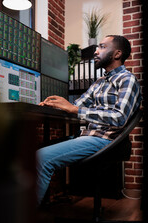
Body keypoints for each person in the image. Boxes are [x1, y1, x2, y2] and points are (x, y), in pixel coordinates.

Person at [36, 35, 141, 205]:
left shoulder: (127, 80)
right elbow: (77, 105)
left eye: (102, 47)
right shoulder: (99, 82)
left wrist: (76, 109)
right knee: (33, 151)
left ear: (117, 54)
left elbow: (120, 118)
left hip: (106, 139)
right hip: (88, 136)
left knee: (41, 158)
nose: (96, 52)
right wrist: (56, 106)